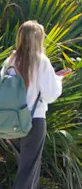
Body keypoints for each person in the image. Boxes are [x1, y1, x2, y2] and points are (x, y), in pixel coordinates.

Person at [3, 20, 67, 189]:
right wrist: (59, 80)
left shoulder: (10, 61)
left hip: (10, 121)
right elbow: (50, 94)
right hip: (34, 120)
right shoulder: (41, 61)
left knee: (25, 167)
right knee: (29, 168)